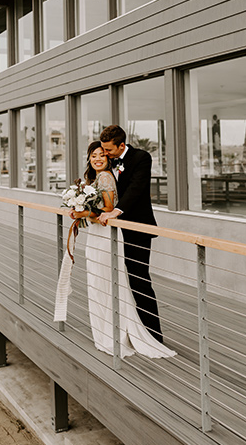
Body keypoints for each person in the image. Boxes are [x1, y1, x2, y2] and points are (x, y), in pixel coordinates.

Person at [57, 140, 175, 359]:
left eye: (103, 154)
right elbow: (101, 211)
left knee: (116, 281)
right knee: (106, 282)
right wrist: (81, 207)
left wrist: (83, 213)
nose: (99, 158)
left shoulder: (107, 175)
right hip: (101, 235)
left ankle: (132, 334)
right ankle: (118, 331)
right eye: (94, 155)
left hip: (114, 234)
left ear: (113, 152)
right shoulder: (97, 178)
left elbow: (108, 209)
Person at [98, 125, 164, 344]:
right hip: (111, 230)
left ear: (122, 145)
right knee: (115, 279)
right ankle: (126, 329)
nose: (105, 153)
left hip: (137, 228)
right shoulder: (107, 160)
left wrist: (117, 212)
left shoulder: (142, 158)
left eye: (108, 150)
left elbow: (137, 188)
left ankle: (153, 335)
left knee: (139, 280)